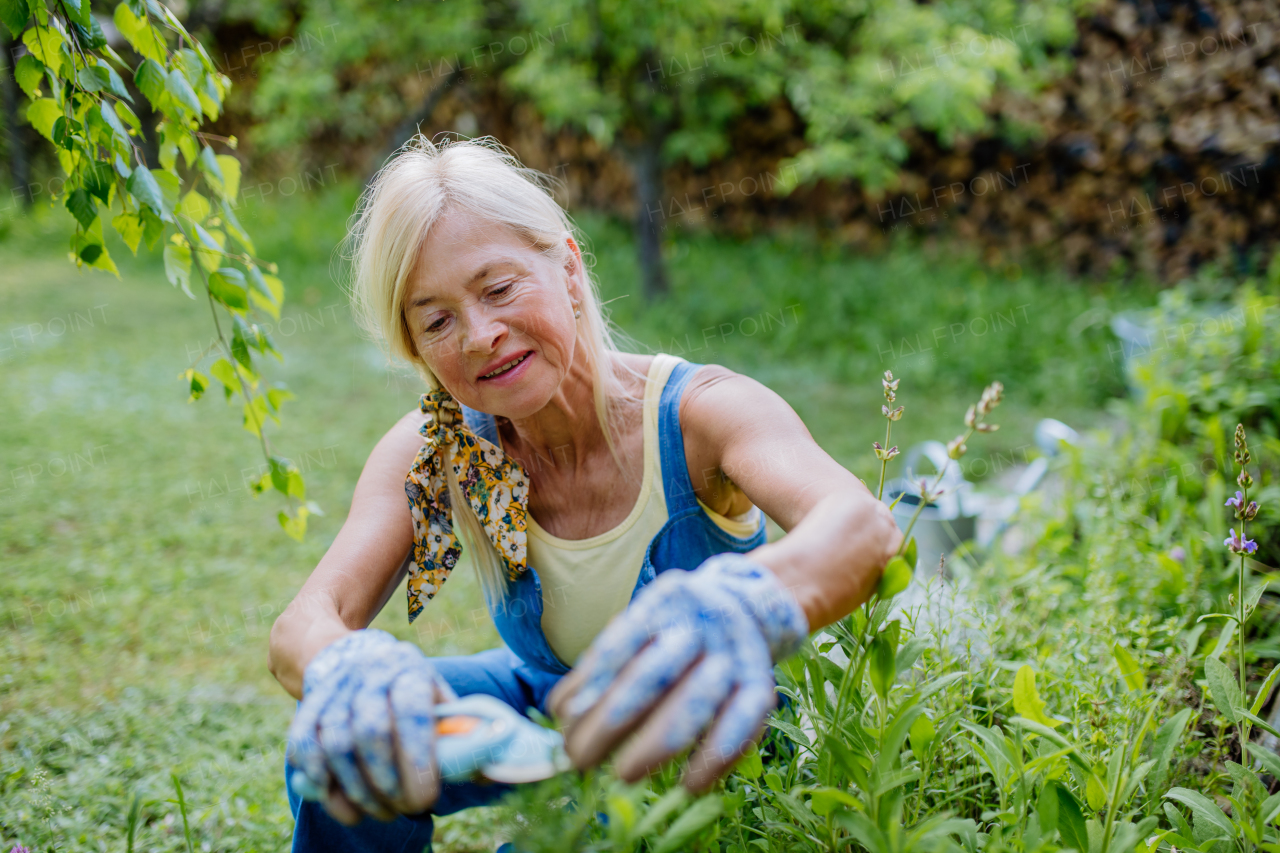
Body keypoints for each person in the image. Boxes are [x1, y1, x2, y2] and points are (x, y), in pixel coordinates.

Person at [267, 135, 901, 853]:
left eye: (499, 288)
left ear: (567, 268)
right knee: (341, 750)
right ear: (416, 348)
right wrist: (348, 669)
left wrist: (744, 602)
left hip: (707, 740)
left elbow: (861, 524)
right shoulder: (436, 447)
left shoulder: (701, 414)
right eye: (437, 320)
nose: (481, 336)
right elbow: (303, 624)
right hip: (549, 702)